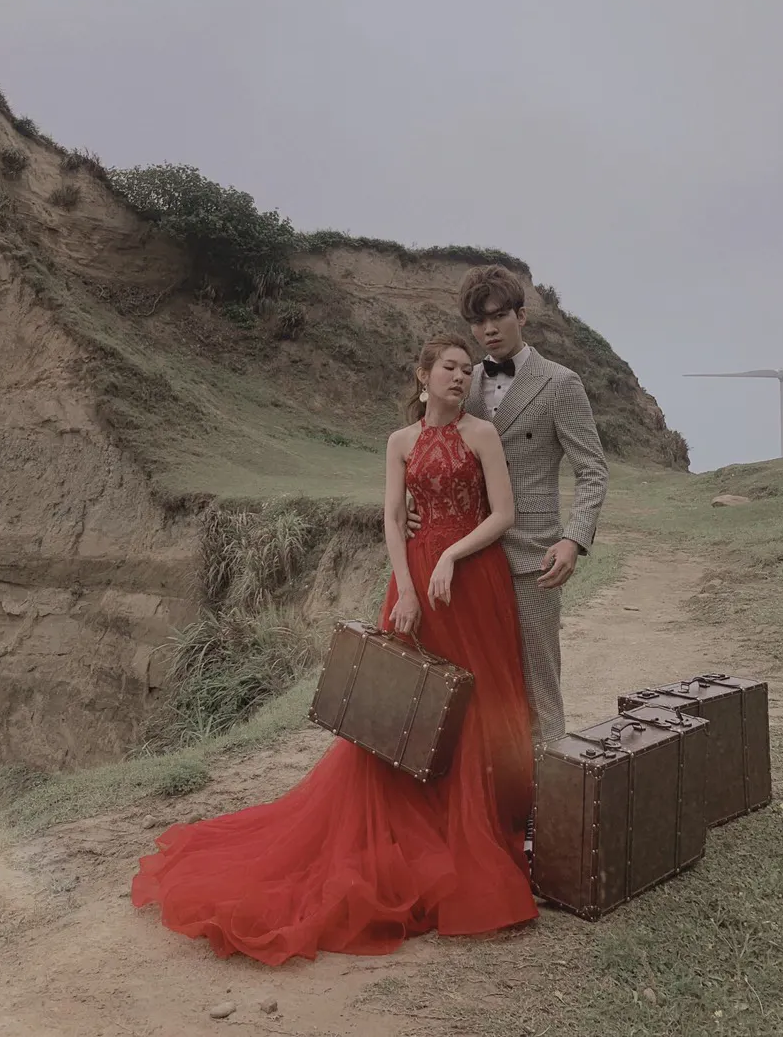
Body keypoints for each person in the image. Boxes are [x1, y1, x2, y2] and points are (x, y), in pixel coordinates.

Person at [131, 334, 539, 966]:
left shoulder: (481, 434)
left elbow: (503, 514)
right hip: (416, 584)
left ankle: (472, 830)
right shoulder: (400, 441)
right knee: (401, 710)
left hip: (474, 582)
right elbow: (392, 517)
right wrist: (407, 587)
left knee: (478, 710)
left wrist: (453, 556)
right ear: (423, 375)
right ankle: (407, 827)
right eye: (449, 368)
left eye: (467, 370)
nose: (460, 377)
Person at [409, 266, 608, 752]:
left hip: (530, 557)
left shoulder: (560, 383)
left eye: (499, 316)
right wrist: (414, 504)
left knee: (538, 682)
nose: (489, 330)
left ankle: (552, 785)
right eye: (478, 321)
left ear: (522, 316)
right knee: (473, 681)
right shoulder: (463, 379)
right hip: (469, 554)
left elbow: (592, 470)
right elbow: (430, 447)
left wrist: (573, 538)